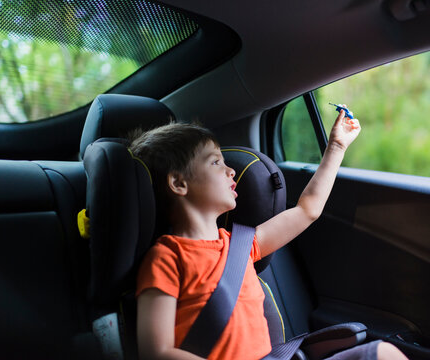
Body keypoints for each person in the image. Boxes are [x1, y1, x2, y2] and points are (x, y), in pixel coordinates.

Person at [131, 108, 408, 360]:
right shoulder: (166, 259)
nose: (231, 171)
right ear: (179, 183)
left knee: (385, 353)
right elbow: (157, 352)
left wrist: (336, 147)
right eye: (215, 162)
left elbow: (307, 210)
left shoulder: (242, 245)